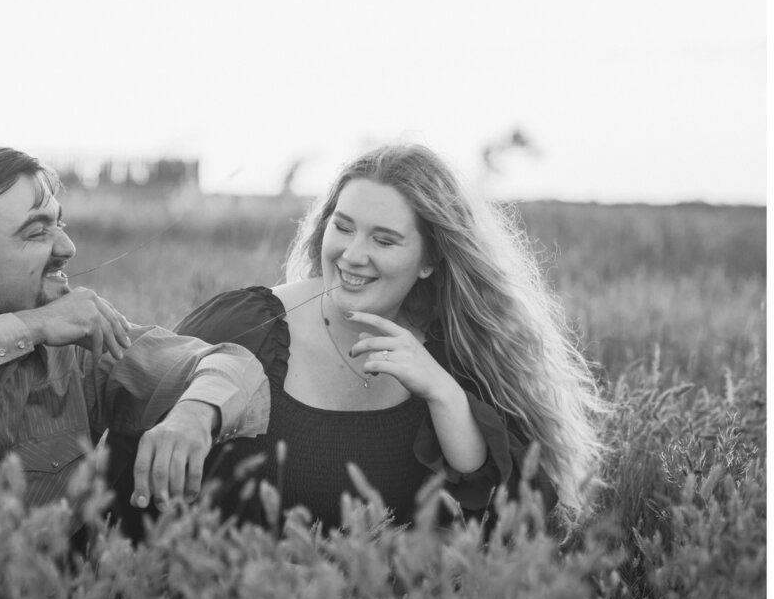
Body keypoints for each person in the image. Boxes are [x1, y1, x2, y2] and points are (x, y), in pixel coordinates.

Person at [173, 144, 606, 534]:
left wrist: (444, 395)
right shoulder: (245, 326)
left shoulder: (455, 354)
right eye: (343, 227)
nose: (353, 255)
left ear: (428, 260)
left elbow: (510, 522)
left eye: (384, 239)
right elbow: (139, 447)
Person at [0, 147, 270, 519]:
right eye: (37, 232)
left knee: (223, 430)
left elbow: (234, 366)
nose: (67, 248)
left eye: (60, 223)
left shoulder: (76, 344)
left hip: (53, 590)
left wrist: (193, 417)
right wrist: (34, 327)